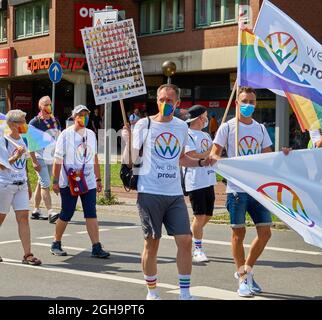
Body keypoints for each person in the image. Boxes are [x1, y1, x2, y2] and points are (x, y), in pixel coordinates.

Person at [122, 84, 216, 300]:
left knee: (185, 240)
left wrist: (202, 162)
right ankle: (152, 291)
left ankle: (184, 292)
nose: (165, 103)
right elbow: (130, 161)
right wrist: (128, 142)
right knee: (152, 243)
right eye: (162, 99)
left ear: (177, 103)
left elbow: (181, 158)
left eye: (170, 100)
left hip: (174, 194)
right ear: (157, 100)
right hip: (149, 192)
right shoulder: (143, 125)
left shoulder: (181, 127)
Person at [210, 86, 290, 297]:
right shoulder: (227, 128)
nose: (248, 105)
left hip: (257, 189)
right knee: (239, 233)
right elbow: (214, 155)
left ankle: (247, 269)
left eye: (252, 102)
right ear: (237, 103)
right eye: (244, 101)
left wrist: (283, 154)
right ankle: (242, 278)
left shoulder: (260, 129)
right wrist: (229, 166)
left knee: (265, 232)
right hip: (236, 189)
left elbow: (267, 157)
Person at [50, 105, 110, 259]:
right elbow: (58, 159)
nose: (84, 117)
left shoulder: (91, 134)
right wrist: (55, 181)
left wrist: (98, 178)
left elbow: (94, 157)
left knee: (91, 212)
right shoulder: (65, 135)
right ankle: (56, 242)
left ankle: (96, 246)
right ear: (74, 117)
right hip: (69, 180)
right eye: (81, 115)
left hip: (87, 180)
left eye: (86, 114)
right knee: (67, 212)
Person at [0, 110, 41, 266]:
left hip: (20, 185)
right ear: (12, 124)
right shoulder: (3, 140)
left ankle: (27, 254)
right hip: (4, 184)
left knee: (23, 218)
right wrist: (16, 155)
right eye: (22, 121)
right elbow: (2, 165)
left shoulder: (23, 140)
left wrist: (28, 184)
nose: (25, 124)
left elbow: (24, 166)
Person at [183, 105, 216, 263]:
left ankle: (191, 233)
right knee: (200, 215)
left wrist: (213, 152)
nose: (206, 119)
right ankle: (198, 249)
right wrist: (208, 153)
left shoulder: (206, 135)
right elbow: (191, 155)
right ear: (198, 118)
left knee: (208, 215)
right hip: (195, 181)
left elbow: (212, 154)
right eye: (205, 116)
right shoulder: (188, 135)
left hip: (209, 179)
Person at [29, 96, 61, 223]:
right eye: (46, 104)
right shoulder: (34, 122)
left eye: (50, 104)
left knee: (41, 182)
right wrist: (33, 160)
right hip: (40, 157)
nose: (49, 106)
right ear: (40, 107)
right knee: (45, 184)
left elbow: (59, 137)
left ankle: (36, 210)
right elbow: (30, 143)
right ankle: (50, 211)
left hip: (51, 157)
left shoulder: (55, 120)